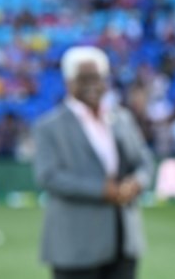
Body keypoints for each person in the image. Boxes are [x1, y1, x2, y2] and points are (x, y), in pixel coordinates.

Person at [32, 46, 154, 279]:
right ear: (69, 82)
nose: (93, 84)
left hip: (123, 238)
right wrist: (101, 190)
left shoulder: (121, 118)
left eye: (98, 77)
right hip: (75, 245)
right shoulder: (49, 126)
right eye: (84, 78)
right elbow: (48, 176)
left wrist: (136, 183)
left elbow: (144, 162)